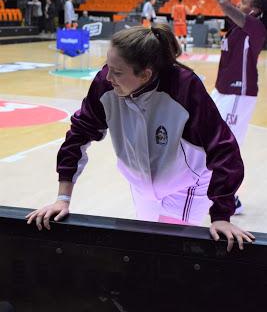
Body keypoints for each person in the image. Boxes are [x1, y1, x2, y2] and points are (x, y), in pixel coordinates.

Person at [26, 23, 255, 252]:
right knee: (143, 245)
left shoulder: (184, 88)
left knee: (168, 251)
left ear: (145, 74)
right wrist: (62, 199)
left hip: (188, 184)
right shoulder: (105, 84)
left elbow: (225, 149)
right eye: (108, 66)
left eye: (117, 72)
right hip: (141, 184)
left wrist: (221, 215)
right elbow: (78, 134)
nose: (108, 77)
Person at [187, 0, 267, 213]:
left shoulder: (255, 27)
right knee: (205, 135)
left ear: (254, 10)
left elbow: (222, 1)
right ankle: (217, 189)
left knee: (225, 144)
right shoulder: (237, 27)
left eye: (243, 2)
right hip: (223, 91)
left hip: (238, 93)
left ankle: (229, 195)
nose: (238, 4)